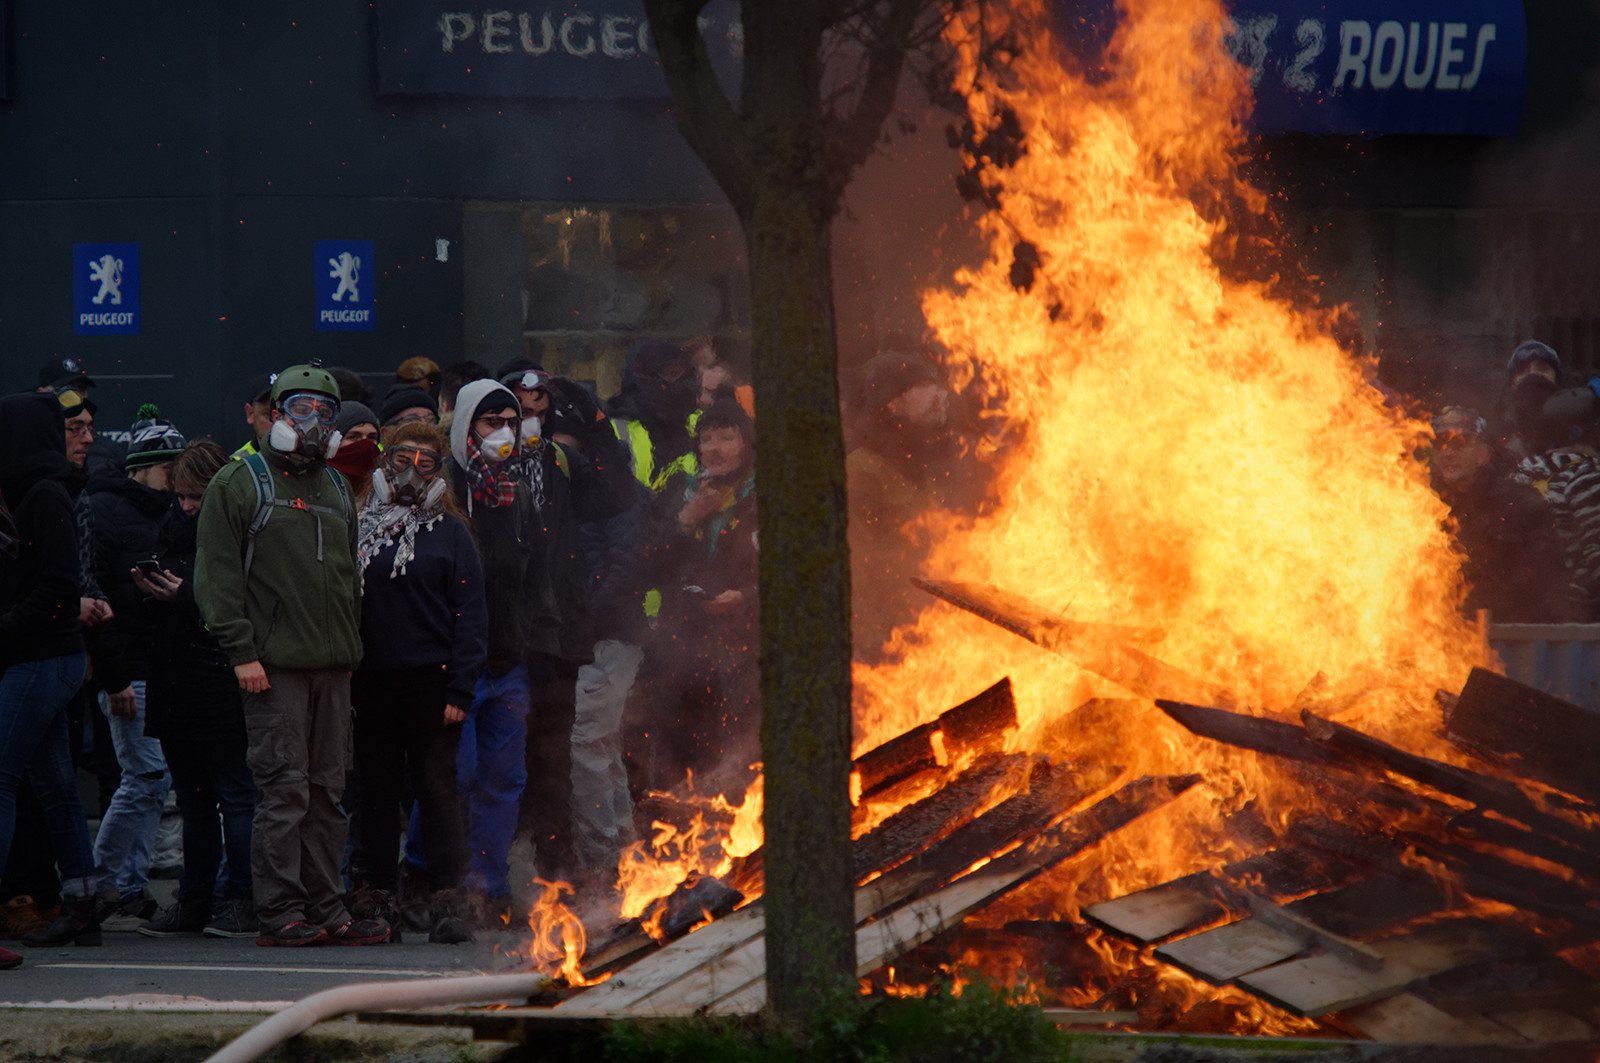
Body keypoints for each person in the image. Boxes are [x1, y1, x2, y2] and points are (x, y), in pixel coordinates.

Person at [194, 362, 389, 947]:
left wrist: (348, 649)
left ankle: (328, 909)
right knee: (284, 791)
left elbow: (347, 575)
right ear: (274, 414)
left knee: (328, 792)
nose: (314, 421)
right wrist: (241, 652)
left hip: (333, 666)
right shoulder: (240, 480)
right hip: (272, 667)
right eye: (300, 408)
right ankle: (280, 913)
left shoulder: (333, 485)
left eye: (325, 412)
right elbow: (216, 577)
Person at [351, 422, 486, 943]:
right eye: (402, 459)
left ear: (439, 473)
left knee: (437, 792)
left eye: (426, 463)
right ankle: (379, 898)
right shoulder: (357, 524)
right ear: (384, 464)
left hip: (433, 684)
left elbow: (471, 616)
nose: (411, 472)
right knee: (377, 792)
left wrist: (460, 691)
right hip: (370, 682)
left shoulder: (453, 532)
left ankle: (448, 901)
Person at [135, 441, 259, 938]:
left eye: (195, 496)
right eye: (181, 496)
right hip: (178, 679)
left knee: (233, 797)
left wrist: (182, 596)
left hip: (215, 680)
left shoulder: (236, 531)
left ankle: (239, 898)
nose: (186, 505)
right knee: (196, 800)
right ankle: (196, 899)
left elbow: (235, 603)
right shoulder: (175, 527)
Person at [0, 393, 100, 966]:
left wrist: (5, 627)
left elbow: (60, 587)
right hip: (42, 657)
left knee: (2, 778)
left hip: (41, 659)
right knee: (58, 791)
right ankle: (82, 907)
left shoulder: (44, 495)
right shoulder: (32, 493)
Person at [84, 407, 188, 925]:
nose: (176, 477)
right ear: (139, 467)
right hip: (128, 669)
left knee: (154, 777)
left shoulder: (178, 512)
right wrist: (115, 676)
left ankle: (127, 885)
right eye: (167, 466)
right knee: (144, 775)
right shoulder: (101, 509)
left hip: (166, 665)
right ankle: (100, 884)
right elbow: (94, 597)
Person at [637, 398, 761, 798]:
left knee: (738, 765)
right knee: (673, 770)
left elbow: (798, 573)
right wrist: (688, 518)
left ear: (746, 444)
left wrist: (745, 598)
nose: (715, 448)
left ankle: (740, 851)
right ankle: (667, 848)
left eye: (727, 437)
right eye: (707, 439)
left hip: (746, 655)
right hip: (679, 653)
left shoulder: (767, 497)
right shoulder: (681, 492)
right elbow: (647, 569)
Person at [847, 351, 965, 662]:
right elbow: (852, 566)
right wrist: (871, 646)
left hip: (938, 637)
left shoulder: (931, 467)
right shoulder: (861, 472)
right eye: (924, 385)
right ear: (891, 402)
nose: (940, 395)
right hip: (888, 645)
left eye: (940, 385)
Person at [1430, 407, 1573, 624]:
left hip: (1512, 639)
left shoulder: (1519, 503)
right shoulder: (1421, 505)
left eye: (1459, 443)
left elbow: (1547, 582)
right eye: (1441, 443)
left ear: (1483, 454)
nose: (1448, 452)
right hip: (1439, 634)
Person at [328, 401, 382, 504]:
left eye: (371, 438)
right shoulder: (315, 485)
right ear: (333, 441)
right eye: (353, 437)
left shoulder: (383, 494)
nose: (365, 444)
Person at [231, 374, 277, 461]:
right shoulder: (237, 465)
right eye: (269, 415)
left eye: (282, 415)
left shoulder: (307, 461)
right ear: (250, 413)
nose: (277, 423)